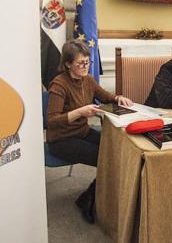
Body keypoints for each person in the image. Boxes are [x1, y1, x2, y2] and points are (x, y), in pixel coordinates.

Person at [46, 40, 133, 223]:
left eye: (88, 62)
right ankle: (87, 200)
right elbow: (52, 122)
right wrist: (80, 112)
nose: (85, 67)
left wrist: (118, 98)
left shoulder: (88, 80)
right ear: (68, 64)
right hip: (61, 140)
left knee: (116, 150)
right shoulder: (59, 85)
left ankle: (96, 196)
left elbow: (105, 96)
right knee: (107, 159)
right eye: (80, 63)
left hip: (82, 132)